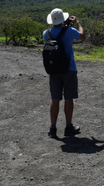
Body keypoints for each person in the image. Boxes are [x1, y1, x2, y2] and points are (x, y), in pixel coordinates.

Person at [43, 8, 85, 138]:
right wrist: (78, 23)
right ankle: (68, 127)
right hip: (69, 69)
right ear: (63, 19)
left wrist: (65, 24)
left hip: (53, 70)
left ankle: (53, 128)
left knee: (55, 99)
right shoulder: (70, 31)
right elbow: (81, 36)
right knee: (68, 98)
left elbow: (57, 34)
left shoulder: (46, 33)